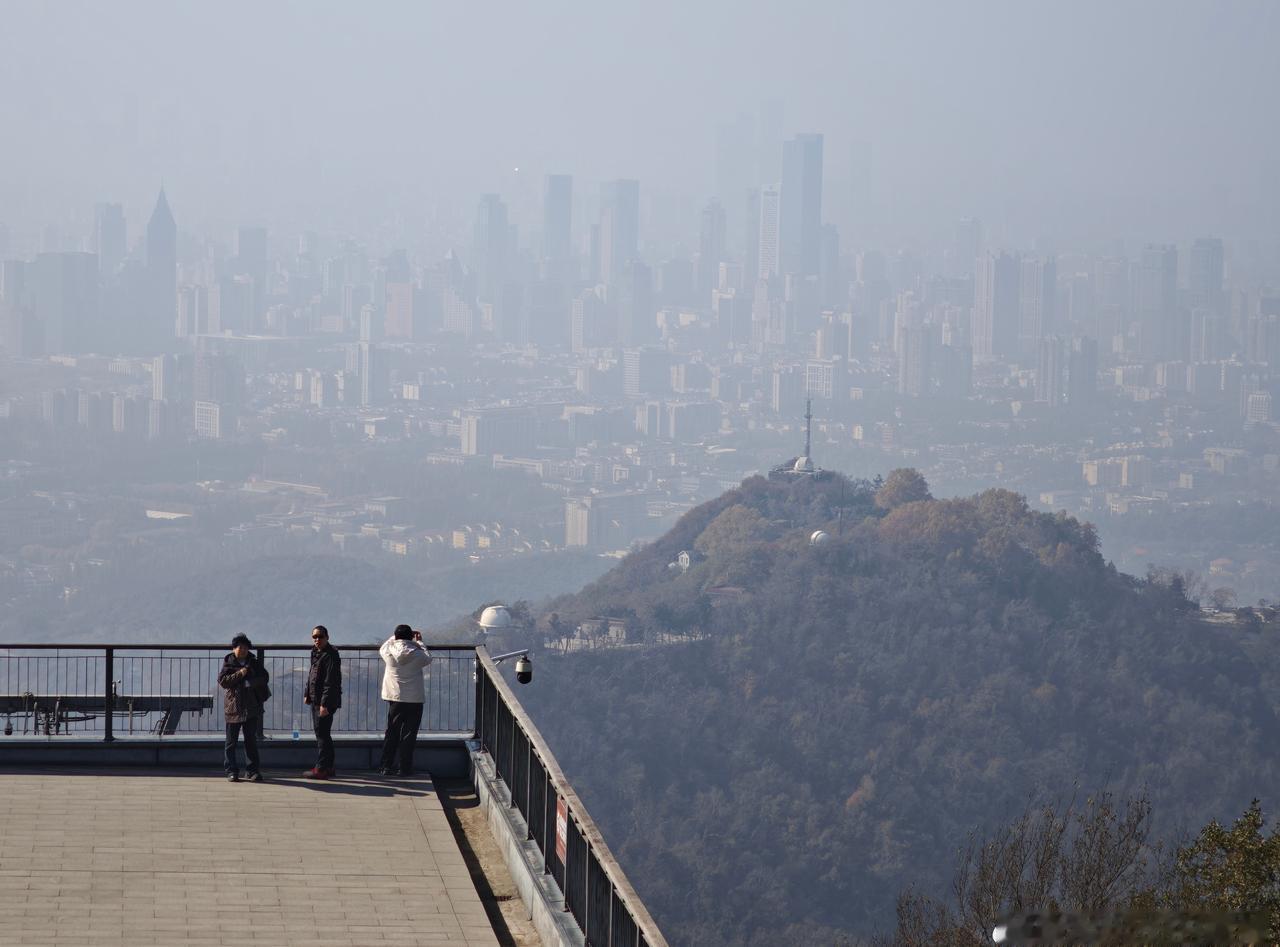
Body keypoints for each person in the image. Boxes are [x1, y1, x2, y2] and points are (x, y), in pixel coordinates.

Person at [378, 624, 431, 777]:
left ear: (396, 636)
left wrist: (394, 637)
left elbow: (384, 645)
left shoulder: (388, 651)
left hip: (395, 698)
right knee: (409, 734)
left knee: (392, 732)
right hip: (414, 698)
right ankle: (404, 768)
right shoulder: (418, 654)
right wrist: (419, 642)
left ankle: (386, 766)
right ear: (411, 637)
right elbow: (428, 658)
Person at [218, 634, 270, 782]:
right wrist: (240, 674)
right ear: (234, 648)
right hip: (233, 707)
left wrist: (250, 682)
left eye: (245, 647)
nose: (242, 650)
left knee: (251, 740)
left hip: (251, 706)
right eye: (240, 647)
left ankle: (252, 771)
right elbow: (223, 681)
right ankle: (231, 771)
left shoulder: (253, 662)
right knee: (231, 742)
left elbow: (265, 677)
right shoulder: (228, 663)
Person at [302, 624, 342, 780]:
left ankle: (321, 768)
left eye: (320, 637)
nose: (317, 639)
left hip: (324, 701)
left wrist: (324, 704)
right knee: (324, 733)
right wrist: (307, 694)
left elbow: (330, 681)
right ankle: (329, 767)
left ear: (327, 637)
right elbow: (312, 675)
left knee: (322, 735)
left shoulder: (330, 655)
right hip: (316, 699)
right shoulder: (316, 653)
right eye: (314, 637)